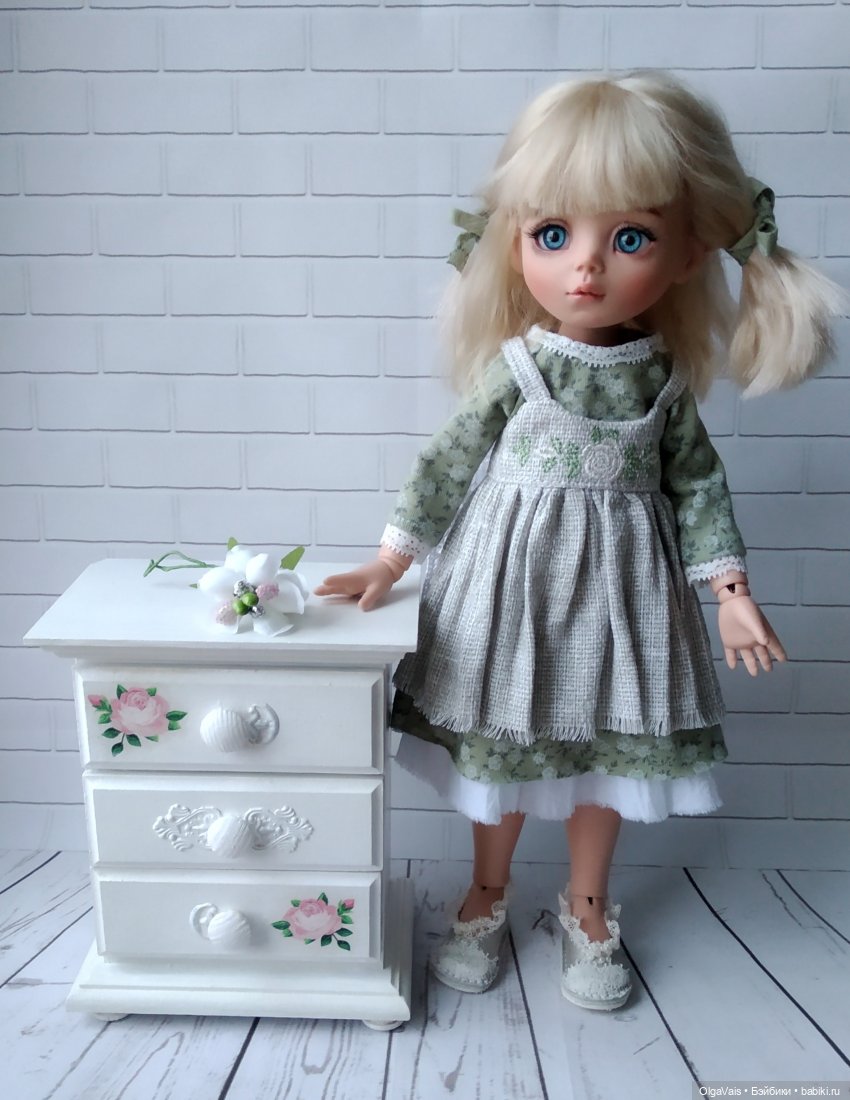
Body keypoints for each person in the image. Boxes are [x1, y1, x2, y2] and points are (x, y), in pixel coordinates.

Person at [314, 71, 842, 1011]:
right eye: (553, 235)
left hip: (626, 597)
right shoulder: (520, 367)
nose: (585, 267)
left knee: (607, 752)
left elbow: (698, 487)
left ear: (688, 255)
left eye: (629, 238)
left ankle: (587, 906)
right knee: (505, 747)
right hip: (509, 590)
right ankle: (486, 891)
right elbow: (447, 461)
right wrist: (393, 559)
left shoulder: (663, 380)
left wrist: (730, 594)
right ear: (513, 240)